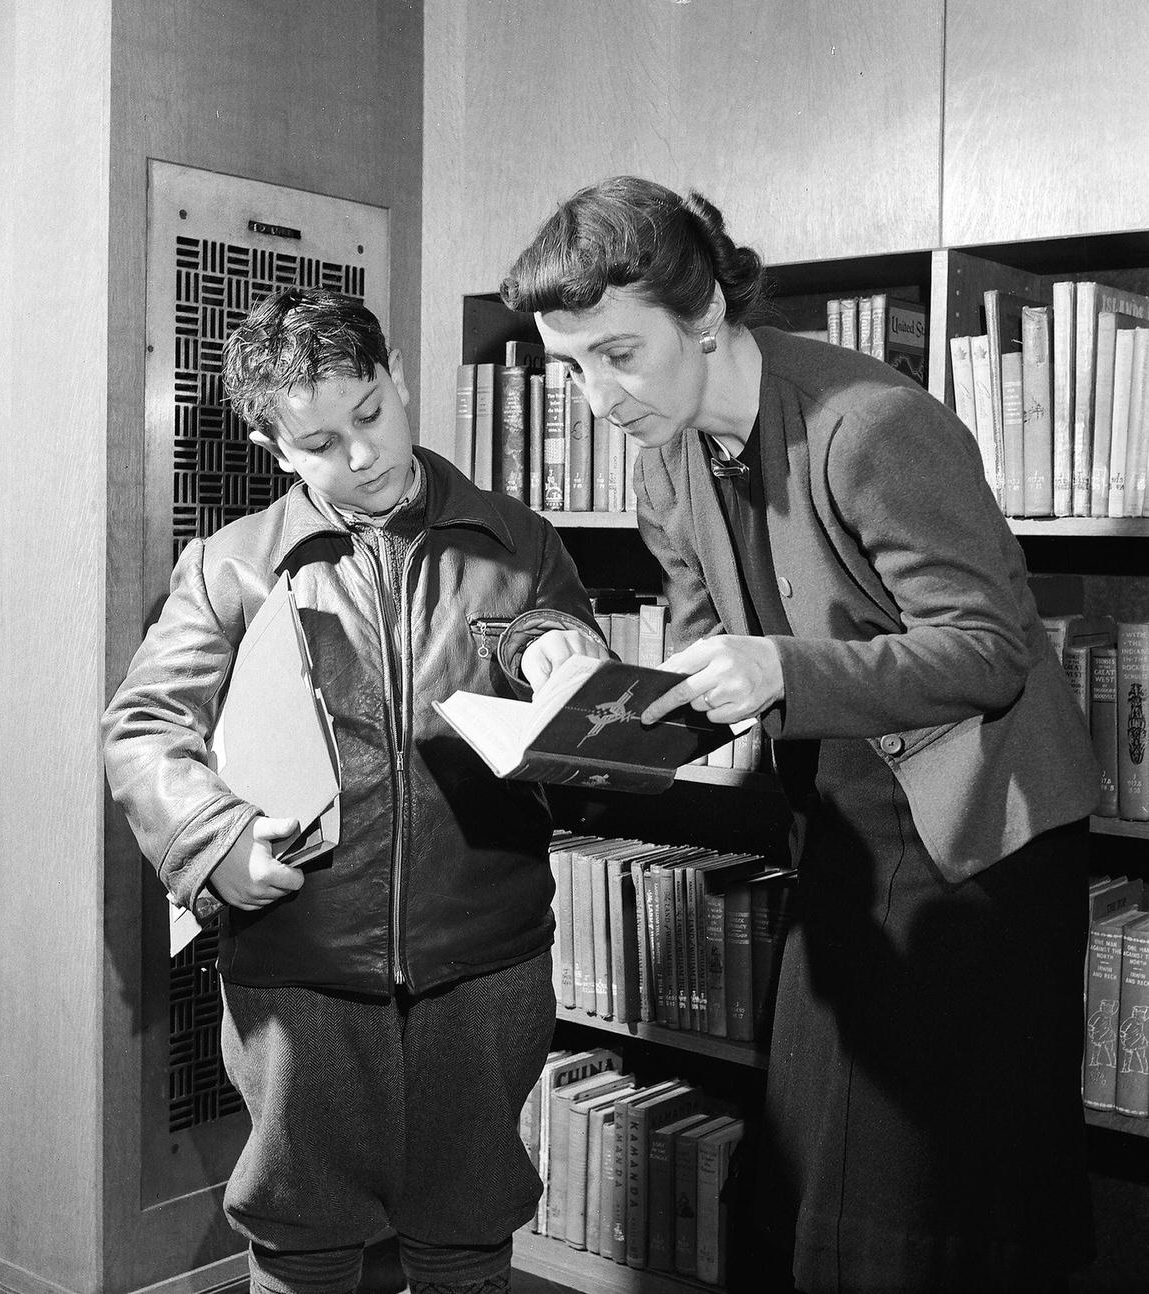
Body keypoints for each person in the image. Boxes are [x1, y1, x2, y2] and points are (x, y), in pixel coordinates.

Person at [500, 176, 1100, 1294]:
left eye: (618, 355)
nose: (593, 394)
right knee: (817, 1159)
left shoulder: (871, 424)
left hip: (979, 842)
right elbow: (695, 668)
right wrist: (592, 704)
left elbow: (987, 651)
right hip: (842, 822)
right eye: (568, 365)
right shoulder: (667, 463)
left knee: (930, 1178)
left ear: (709, 318)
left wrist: (778, 668)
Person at [102, 287, 608, 1294]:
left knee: (468, 1233)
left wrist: (567, 654)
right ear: (273, 447)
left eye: (372, 414)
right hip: (298, 965)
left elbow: (569, 682)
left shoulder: (519, 541)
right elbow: (145, 728)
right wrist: (216, 846)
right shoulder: (229, 567)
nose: (363, 455)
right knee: (301, 1236)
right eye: (321, 442)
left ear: (398, 378)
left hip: (485, 959)